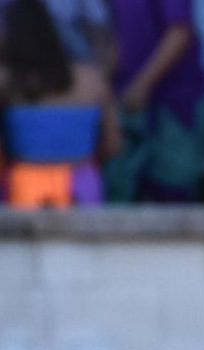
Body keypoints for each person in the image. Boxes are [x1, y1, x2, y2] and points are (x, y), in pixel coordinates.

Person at [0, 0, 119, 207]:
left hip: (24, 189)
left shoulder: (7, 82)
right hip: (81, 189)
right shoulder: (91, 79)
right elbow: (113, 144)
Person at [107, 0, 204, 199]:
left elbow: (180, 32)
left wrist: (142, 85)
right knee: (122, 192)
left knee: (172, 193)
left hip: (174, 103)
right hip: (123, 103)